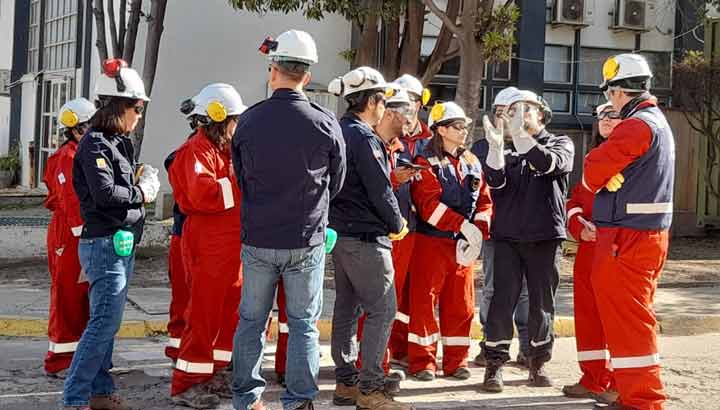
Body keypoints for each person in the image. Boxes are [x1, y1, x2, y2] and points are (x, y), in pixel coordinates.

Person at [231, 30, 346, 410]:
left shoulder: (248, 121)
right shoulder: (326, 122)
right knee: (303, 325)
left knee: (251, 321)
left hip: (259, 238)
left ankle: (247, 400)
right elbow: (337, 181)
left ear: (273, 70)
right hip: (305, 239)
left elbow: (241, 177)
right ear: (307, 76)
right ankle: (299, 401)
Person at [64, 58, 158, 410]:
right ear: (119, 106)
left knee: (106, 323)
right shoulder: (96, 144)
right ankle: (74, 398)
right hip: (104, 244)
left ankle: (99, 392)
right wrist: (143, 192)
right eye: (136, 107)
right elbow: (105, 194)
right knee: (103, 323)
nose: (139, 115)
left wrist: (138, 180)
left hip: (119, 242)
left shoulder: (118, 143)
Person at [583, 53, 674, 410]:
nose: (609, 102)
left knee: (629, 321)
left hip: (627, 238)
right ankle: (632, 392)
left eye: (609, 95)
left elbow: (591, 172)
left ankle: (642, 400)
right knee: (630, 318)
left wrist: (602, 172)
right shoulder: (656, 121)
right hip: (642, 236)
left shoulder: (636, 126)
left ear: (619, 92)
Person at [327, 67, 414, 410]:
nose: (384, 108)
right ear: (373, 102)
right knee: (382, 310)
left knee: (347, 309)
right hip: (366, 238)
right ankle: (371, 388)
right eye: (383, 101)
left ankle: (346, 382)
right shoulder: (364, 137)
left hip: (342, 236)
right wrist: (397, 223)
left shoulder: (339, 130)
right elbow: (380, 189)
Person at [479, 89, 574, 392]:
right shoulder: (502, 147)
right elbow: (495, 184)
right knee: (500, 303)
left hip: (544, 236)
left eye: (523, 111)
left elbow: (548, 164)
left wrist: (520, 136)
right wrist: (495, 152)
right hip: (506, 237)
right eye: (510, 113)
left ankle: (538, 362)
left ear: (541, 114)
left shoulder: (561, 143)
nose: (515, 118)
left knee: (540, 303)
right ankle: (494, 365)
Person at [168, 83, 246, 408]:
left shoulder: (222, 151)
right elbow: (203, 194)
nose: (237, 127)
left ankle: (213, 373)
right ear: (218, 118)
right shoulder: (196, 150)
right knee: (201, 315)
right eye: (234, 120)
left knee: (226, 312)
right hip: (207, 245)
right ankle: (187, 383)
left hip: (229, 247)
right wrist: (240, 182)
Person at [407, 102, 493, 382]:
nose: (464, 131)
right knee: (424, 303)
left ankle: (457, 362)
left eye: (465, 126)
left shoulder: (471, 161)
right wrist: (464, 226)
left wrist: (478, 231)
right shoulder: (424, 162)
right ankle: (423, 362)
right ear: (441, 129)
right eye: (458, 126)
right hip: (431, 242)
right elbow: (428, 205)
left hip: (463, 245)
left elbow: (484, 200)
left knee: (462, 305)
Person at [561, 102, 621, 405]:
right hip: (588, 248)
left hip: (617, 249)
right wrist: (577, 224)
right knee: (587, 316)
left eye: (613, 113)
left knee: (615, 318)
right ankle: (593, 377)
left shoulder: (636, 159)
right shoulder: (591, 159)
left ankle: (619, 382)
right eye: (601, 115)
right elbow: (575, 200)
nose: (606, 119)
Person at [471, 87, 530, 368]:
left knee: (527, 293)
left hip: (530, 233)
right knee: (493, 290)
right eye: (499, 113)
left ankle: (529, 349)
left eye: (511, 112)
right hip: (496, 232)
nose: (504, 119)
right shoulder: (481, 148)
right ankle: (489, 345)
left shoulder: (532, 144)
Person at [43, 98, 95, 378]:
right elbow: (70, 201)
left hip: (79, 233)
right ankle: (60, 360)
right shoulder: (68, 157)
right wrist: (85, 233)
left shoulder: (80, 153)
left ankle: (79, 357)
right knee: (67, 296)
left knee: (83, 297)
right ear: (77, 129)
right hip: (70, 235)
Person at [385, 74, 433, 366]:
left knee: (418, 295)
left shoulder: (431, 140)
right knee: (390, 292)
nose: (408, 108)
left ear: (420, 103)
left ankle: (407, 350)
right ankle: (387, 351)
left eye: (413, 101)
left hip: (427, 230)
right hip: (396, 226)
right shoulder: (390, 135)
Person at [163, 98, 197, 363]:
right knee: (185, 299)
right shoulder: (188, 153)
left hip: (192, 235)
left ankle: (183, 351)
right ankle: (180, 351)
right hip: (186, 234)